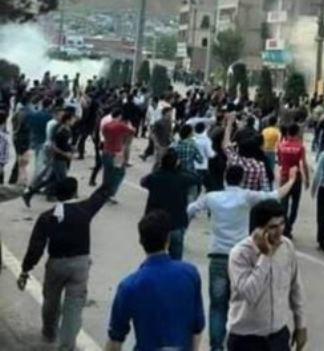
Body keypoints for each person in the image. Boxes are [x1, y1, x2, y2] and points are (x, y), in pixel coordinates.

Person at [186, 165, 298, 351]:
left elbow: (191, 208)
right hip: (244, 259)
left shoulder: (213, 197)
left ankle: (216, 347)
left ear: (224, 178)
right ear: (241, 180)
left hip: (219, 257)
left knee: (217, 307)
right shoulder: (246, 197)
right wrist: (292, 180)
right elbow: (275, 195)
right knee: (241, 305)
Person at [18, 179, 109, 351]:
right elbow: (102, 194)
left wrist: (25, 269)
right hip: (80, 264)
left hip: (56, 264)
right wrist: (114, 170)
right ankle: (67, 346)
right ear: (75, 193)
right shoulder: (85, 209)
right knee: (73, 307)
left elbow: (36, 247)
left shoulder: (47, 217)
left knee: (51, 300)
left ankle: (49, 331)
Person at [106, 210, 205, 351]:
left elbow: (115, 340)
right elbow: (197, 327)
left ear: (141, 241)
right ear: (168, 239)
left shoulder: (129, 286)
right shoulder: (190, 274)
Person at [227, 200, 308, 351]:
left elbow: (295, 287)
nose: (279, 232)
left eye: (282, 224)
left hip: (278, 337)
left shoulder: (287, 247)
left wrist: (300, 324)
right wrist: (266, 255)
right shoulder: (239, 254)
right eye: (273, 227)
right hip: (246, 340)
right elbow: (250, 294)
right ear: (258, 229)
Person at [140, 149, 202, 261]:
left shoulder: (155, 177)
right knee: (176, 259)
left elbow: (143, 182)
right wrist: (181, 168)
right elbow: (196, 178)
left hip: (156, 223)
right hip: (176, 223)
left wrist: (159, 169)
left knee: (154, 258)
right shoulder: (182, 178)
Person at [24, 109, 76, 205]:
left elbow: (64, 144)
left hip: (62, 158)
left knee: (50, 179)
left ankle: (31, 193)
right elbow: (54, 146)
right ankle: (63, 199)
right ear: (67, 120)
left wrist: (71, 148)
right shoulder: (61, 131)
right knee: (61, 179)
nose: (74, 121)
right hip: (59, 159)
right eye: (73, 119)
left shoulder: (66, 130)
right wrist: (66, 154)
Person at [277, 124, 310, 237]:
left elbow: (280, 161)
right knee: (295, 204)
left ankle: (284, 226)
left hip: (284, 177)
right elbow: (304, 164)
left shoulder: (281, 146)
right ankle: (289, 225)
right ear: (296, 133)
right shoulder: (300, 147)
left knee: (283, 205)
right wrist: (307, 179)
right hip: (296, 178)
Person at [100, 108, 135, 203]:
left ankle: (104, 191)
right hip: (117, 153)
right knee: (119, 173)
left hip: (106, 150)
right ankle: (111, 193)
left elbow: (103, 134)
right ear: (119, 116)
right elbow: (132, 131)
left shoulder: (106, 125)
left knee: (107, 173)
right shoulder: (121, 126)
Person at [193, 121, 217, 192]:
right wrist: (215, 153)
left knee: (195, 184)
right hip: (202, 166)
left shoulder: (193, 139)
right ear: (204, 129)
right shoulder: (206, 140)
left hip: (193, 165)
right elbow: (210, 154)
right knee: (203, 184)